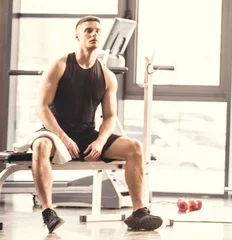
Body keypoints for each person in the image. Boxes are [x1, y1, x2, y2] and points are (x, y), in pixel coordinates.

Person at [31, 16, 163, 233]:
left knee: (135, 148)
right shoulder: (60, 65)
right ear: (77, 36)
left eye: (97, 31)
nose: (94, 34)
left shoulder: (107, 75)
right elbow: (42, 108)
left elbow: (110, 116)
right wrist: (63, 137)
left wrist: (101, 142)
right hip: (56, 133)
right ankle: (48, 211)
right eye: (88, 31)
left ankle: (139, 212)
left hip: (87, 135)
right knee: (40, 146)